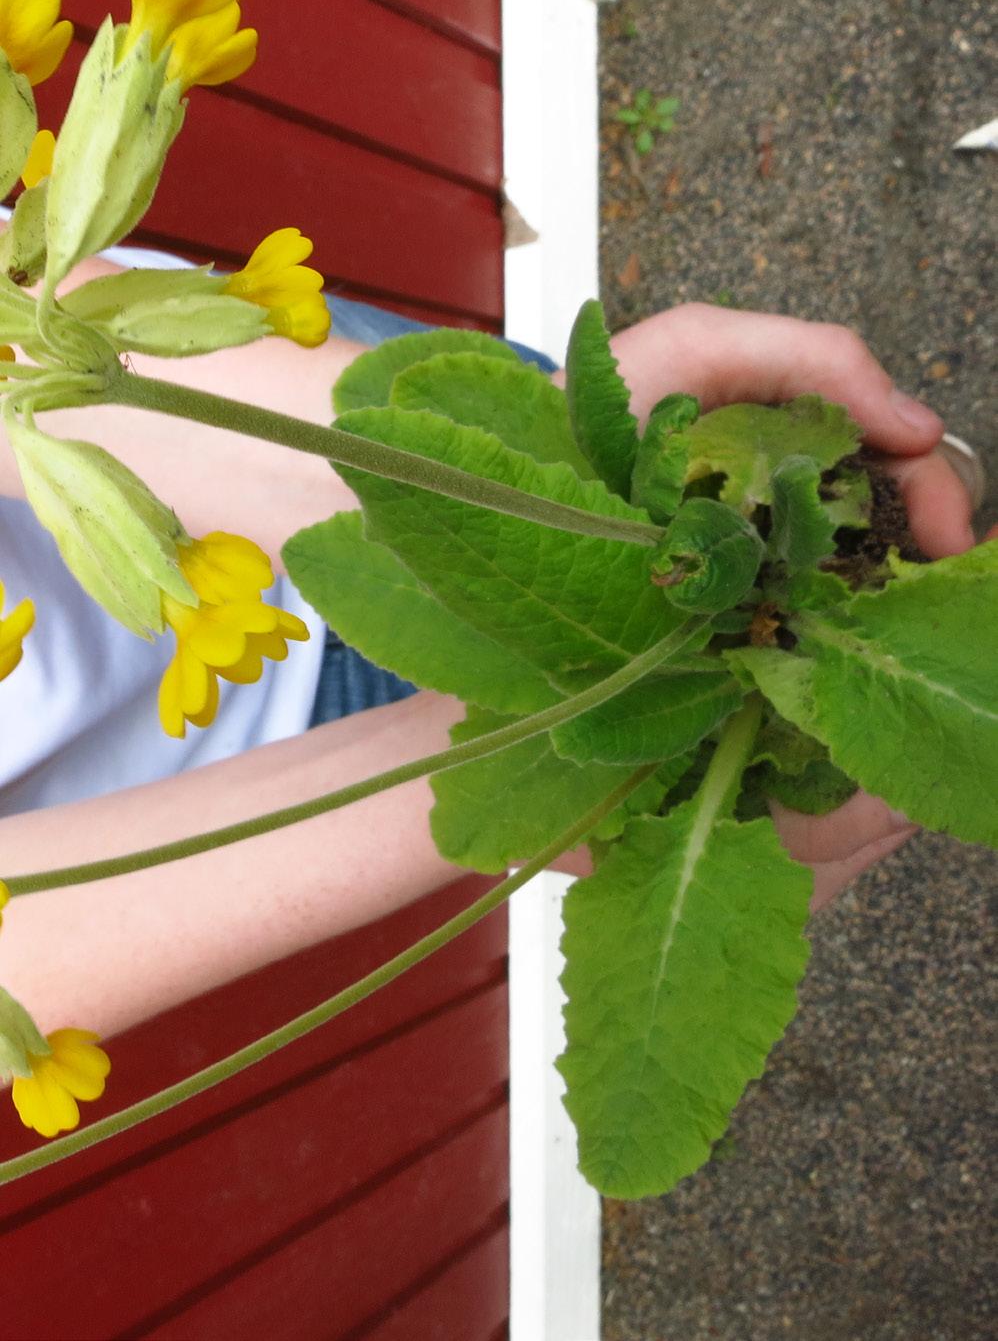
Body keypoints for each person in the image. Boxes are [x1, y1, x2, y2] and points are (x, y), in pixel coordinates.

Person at [0, 241, 986, 1043]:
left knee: (879, 501)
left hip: (228, 417)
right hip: (245, 772)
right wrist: (517, 780)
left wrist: (476, 488)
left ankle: (926, 501)